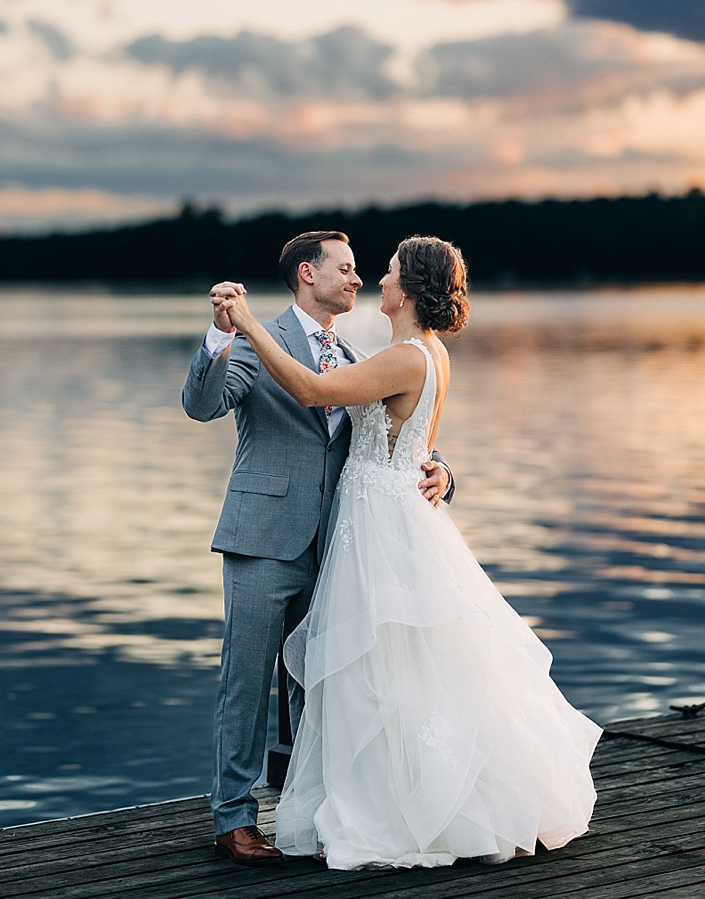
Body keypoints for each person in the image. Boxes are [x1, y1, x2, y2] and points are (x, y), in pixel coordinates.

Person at [218, 235, 602, 870]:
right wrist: (441, 473)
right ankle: (343, 800)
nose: (375, 280)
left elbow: (318, 393)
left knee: (379, 670)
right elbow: (413, 438)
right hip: (365, 521)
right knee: (392, 670)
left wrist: (250, 322)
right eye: (365, 269)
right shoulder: (416, 353)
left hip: (377, 531)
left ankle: (387, 807)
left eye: (389, 273)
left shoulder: (402, 356)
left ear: (412, 290)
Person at [181, 230, 452, 865]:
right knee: (246, 682)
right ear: (309, 273)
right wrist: (222, 336)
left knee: (323, 681)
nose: (358, 280)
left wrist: (442, 468)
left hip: (341, 546)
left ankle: (321, 812)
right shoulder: (257, 339)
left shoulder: (363, 353)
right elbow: (202, 405)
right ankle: (235, 817)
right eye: (347, 269)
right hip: (263, 538)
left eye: (365, 271)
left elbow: (394, 437)